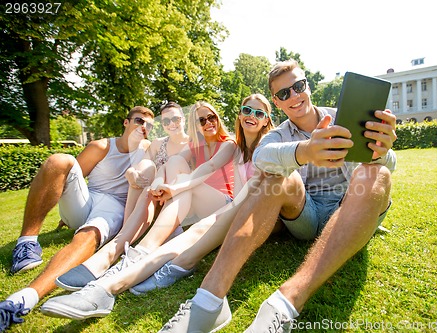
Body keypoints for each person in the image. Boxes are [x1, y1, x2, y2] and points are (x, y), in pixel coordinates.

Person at [156, 59, 398, 333]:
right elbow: (261, 157)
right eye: (284, 94)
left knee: (376, 174)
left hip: (349, 208)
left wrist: (381, 149)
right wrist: (305, 150)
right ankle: (209, 300)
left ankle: (285, 303)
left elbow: (390, 163)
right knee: (275, 176)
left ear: (307, 85)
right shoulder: (278, 134)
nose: (294, 96)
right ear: (277, 101)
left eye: (298, 87)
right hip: (307, 215)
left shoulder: (345, 118)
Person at [39, 94, 275, 320]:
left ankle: (133, 248)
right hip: (199, 206)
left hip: (223, 204)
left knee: (180, 183)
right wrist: (153, 180)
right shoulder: (207, 146)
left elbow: (208, 171)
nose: (207, 122)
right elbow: (165, 164)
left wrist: (175, 188)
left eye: (211, 117)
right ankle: (125, 243)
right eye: (201, 120)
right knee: (169, 164)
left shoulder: (230, 144)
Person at [0, 106, 154, 331]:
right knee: (59, 160)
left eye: (148, 125)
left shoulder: (148, 150)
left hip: (114, 208)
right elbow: (68, 179)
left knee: (88, 235)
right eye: (139, 121)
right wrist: (70, 212)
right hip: (87, 200)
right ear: (126, 122)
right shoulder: (101, 146)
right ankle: (26, 244)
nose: (143, 127)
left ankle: (25, 298)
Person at [52, 102, 190, 291]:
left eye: (176, 118)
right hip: (153, 196)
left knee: (170, 167)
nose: (172, 123)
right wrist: (132, 173)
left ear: (183, 119)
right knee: (145, 170)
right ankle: (125, 238)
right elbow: (144, 164)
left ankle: (120, 245)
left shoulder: (194, 143)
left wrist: (167, 185)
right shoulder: (157, 144)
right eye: (166, 120)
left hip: (178, 199)